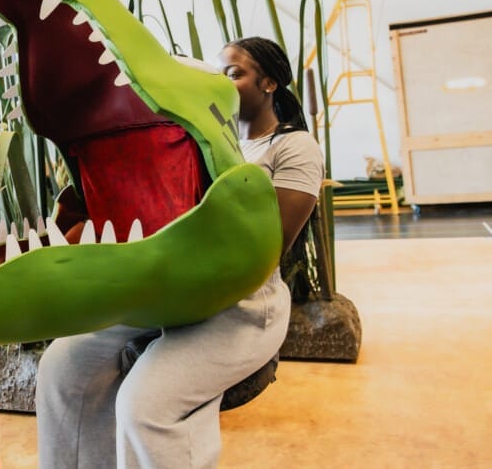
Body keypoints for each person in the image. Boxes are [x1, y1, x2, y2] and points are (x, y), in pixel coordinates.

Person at [35, 35, 323, 468]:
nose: (223, 85)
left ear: (269, 84)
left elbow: (269, 246)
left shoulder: (293, 147)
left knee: (145, 405)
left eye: (234, 75)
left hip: (240, 305)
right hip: (165, 290)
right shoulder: (194, 139)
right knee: (62, 368)